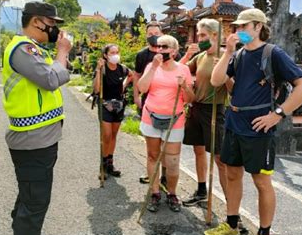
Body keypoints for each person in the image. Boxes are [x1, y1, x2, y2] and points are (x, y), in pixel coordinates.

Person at [204, 9, 302, 235]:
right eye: (236, 26)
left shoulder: (272, 53)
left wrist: (278, 114)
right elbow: (216, 80)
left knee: (261, 182)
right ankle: (232, 223)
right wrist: (228, 52)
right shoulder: (238, 54)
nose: (237, 30)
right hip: (234, 121)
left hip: (259, 127)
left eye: (243, 26)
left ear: (257, 26)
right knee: (232, 173)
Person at [2, 1, 72, 235]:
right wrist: (62, 52)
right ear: (36, 22)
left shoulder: (35, 50)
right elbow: (52, 79)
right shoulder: (23, 49)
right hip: (32, 141)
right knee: (34, 204)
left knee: (30, 200)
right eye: (52, 24)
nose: (54, 30)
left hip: (41, 138)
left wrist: (58, 58)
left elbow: (55, 75)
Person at [137, 35, 195, 212]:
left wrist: (185, 87)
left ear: (175, 51)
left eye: (165, 47)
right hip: (151, 116)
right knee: (152, 156)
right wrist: (153, 68)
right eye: (158, 47)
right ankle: (155, 193)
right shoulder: (151, 66)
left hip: (175, 120)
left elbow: (191, 99)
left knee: (172, 160)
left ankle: (172, 193)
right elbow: (142, 88)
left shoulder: (183, 69)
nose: (161, 50)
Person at [181, 19, 231, 207]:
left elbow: (233, 88)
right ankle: (202, 189)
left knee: (219, 159)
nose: (199, 38)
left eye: (203, 35)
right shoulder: (200, 57)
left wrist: (225, 73)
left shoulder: (227, 56)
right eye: (198, 35)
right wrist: (186, 56)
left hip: (215, 110)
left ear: (215, 35)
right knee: (198, 150)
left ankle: (231, 208)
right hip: (197, 108)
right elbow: (181, 69)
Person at [92, 44, 133, 179]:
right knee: (107, 135)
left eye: (117, 52)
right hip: (105, 104)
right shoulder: (102, 69)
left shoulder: (122, 69)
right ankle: (102, 166)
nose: (115, 55)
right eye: (112, 53)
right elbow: (97, 90)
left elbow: (132, 75)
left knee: (114, 135)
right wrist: (98, 70)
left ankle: (110, 164)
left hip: (119, 105)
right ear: (105, 55)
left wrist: (124, 85)